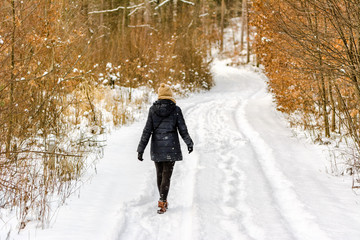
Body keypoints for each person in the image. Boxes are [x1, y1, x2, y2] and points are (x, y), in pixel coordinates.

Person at [137, 83, 194, 214]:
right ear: (170, 95)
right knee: (166, 175)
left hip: (157, 147)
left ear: (159, 95)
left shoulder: (153, 110)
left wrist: (141, 149)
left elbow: (147, 131)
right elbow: (182, 129)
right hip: (171, 146)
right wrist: (189, 143)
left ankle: (162, 200)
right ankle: (163, 201)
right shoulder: (176, 109)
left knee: (159, 174)